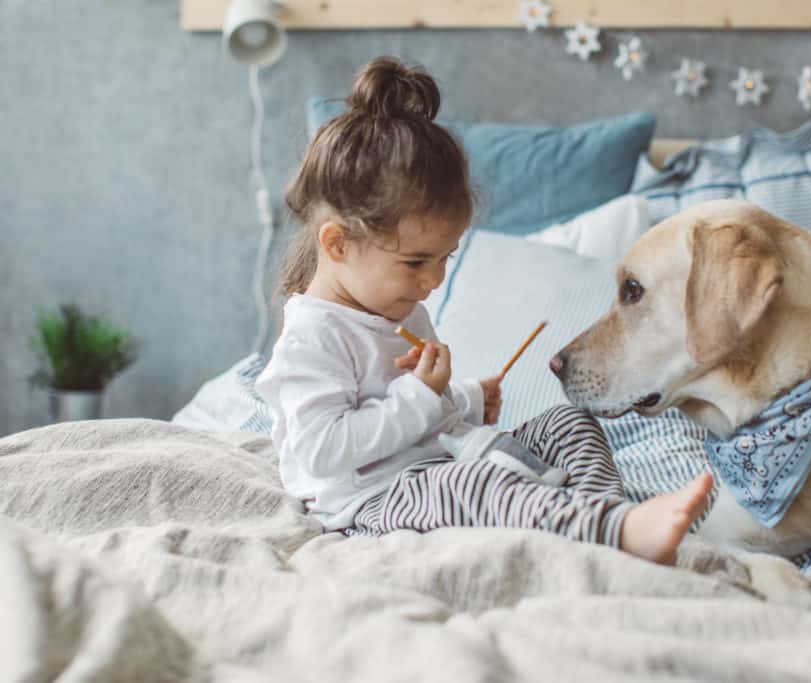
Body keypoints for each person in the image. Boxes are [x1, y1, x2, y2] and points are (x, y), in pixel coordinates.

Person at [255, 56, 712, 565]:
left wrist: (467, 400)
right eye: (415, 262)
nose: (434, 281)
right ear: (338, 245)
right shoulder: (312, 339)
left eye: (445, 258)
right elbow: (324, 449)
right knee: (480, 486)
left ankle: (603, 517)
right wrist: (422, 396)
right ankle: (616, 531)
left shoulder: (397, 305)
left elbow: (417, 411)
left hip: (434, 462)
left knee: (568, 422)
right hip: (371, 501)